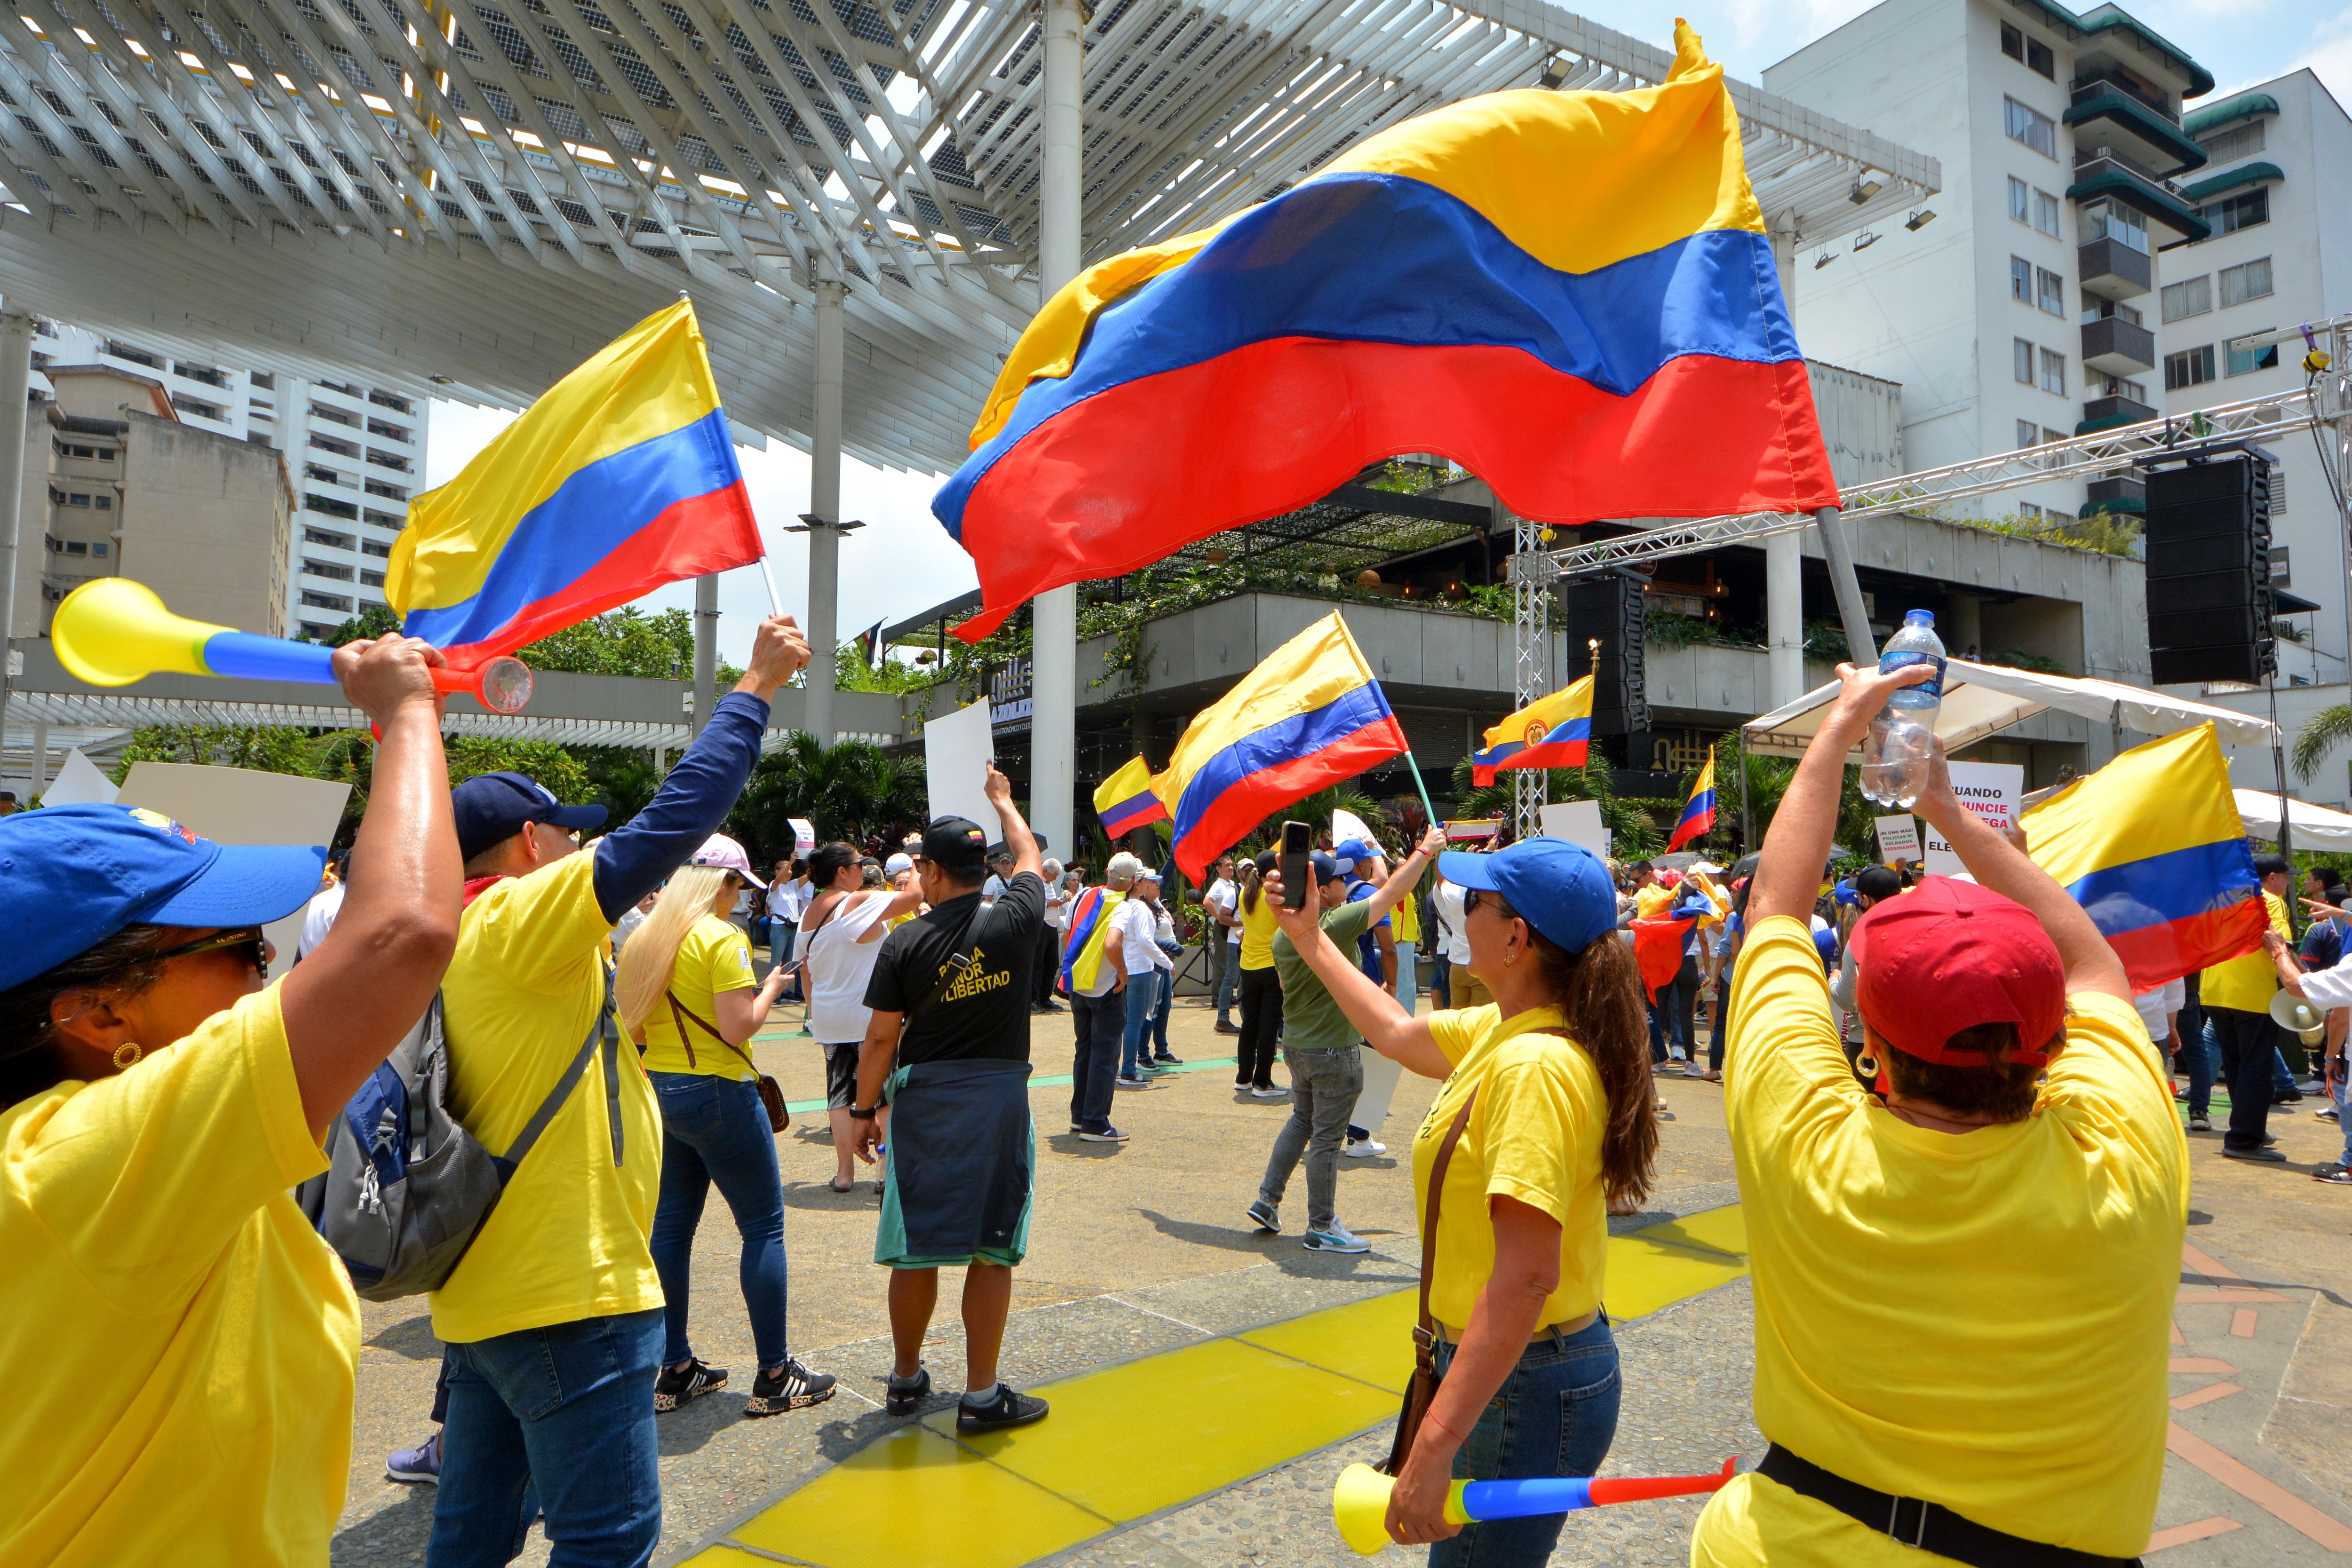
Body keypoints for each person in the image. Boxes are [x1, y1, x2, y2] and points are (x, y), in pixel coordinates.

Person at [1690, 660, 2185, 1568]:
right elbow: (2095, 969)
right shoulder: (2126, 1154)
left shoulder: (1810, 1139)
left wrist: (1838, 732)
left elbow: (1773, 911)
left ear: (1869, 1036)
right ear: (2048, 1035)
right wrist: (1952, 813)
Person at [0, 634, 461, 1566]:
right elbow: (402, 932)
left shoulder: (105, 1146)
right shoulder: (88, 1160)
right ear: (92, 1010)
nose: (273, 967)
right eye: (240, 948)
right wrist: (405, 709)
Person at [423, 613, 810, 1568]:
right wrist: (753, 690)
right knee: (609, 1536)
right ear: (527, 842)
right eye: (567, 831)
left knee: (473, 1532)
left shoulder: (452, 930)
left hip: (486, 1284)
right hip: (570, 1288)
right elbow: (673, 822)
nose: (576, 845)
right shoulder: (519, 911)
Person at [1267, 834, 1657, 1566]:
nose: (1457, 908)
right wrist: (1311, 937)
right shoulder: (1512, 1025)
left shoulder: (1535, 1064)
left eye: (1473, 900)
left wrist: (1437, 1441)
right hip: (1517, 1372)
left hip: (1526, 1383)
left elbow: (1527, 1275)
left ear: (1517, 937)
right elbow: (1393, 1030)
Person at [850, 771, 1052, 1433]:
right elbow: (1027, 856)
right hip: (998, 1101)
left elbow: (882, 1035)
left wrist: (861, 1111)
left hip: (926, 1105)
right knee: (991, 1247)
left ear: (931, 872)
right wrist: (1004, 802)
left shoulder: (905, 940)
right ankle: (981, 1394)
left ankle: (906, 1381)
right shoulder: (1020, 914)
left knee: (916, 1247)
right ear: (982, 867)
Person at [618, 834, 832, 1418]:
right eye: (739, 884)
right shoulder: (721, 937)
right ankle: (774, 1373)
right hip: (719, 1089)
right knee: (762, 1227)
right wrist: (772, 988)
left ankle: (675, 1367)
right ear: (722, 882)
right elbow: (739, 1027)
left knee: (670, 1230)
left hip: (660, 1089)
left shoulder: (645, 939)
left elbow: (632, 1029)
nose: (740, 898)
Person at [1247, 829, 1444, 1253]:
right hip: (1334, 1048)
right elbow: (1391, 892)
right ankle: (1321, 1224)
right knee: (1325, 1137)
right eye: (1337, 879)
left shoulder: (1286, 934)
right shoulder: (1333, 924)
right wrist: (1426, 851)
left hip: (1299, 1044)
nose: (1345, 884)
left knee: (1302, 1121)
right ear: (1321, 890)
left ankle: (1268, 1199)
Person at [801, 840, 922, 1193]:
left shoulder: (812, 911)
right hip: (869, 1016)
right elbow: (914, 897)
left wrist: (815, 1011)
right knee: (883, 1092)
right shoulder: (856, 902)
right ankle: (884, 1173)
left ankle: (844, 1174)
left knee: (839, 1095)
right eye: (858, 865)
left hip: (829, 1016)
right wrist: (913, 861)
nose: (864, 870)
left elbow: (805, 970)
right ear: (843, 871)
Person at [2201, 851, 2293, 1163]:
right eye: (2285, 877)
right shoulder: (2269, 899)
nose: (2287, 883)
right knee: (2257, 1068)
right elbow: (2278, 944)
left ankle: (2246, 1129)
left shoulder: (2222, 896)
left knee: (2238, 1066)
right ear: (2272, 877)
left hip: (2214, 989)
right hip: (2252, 992)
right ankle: (2244, 1139)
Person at [1064, 856, 1133, 1140]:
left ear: (1107, 872)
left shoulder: (1083, 895)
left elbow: (1067, 935)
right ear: (1131, 883)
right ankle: (1096, 1122)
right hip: (1106, 988)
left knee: (1085, 1051)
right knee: (1105, 1055)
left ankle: (1080, 1117)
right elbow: (1112, 943)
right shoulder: (1123, 906)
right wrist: (1122, 970)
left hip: (1078, 985)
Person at [1112, 859, 1174, 1086]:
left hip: (1130, 967)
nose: (1153, 884)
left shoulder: (1125, 904)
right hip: (1140, 969)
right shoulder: (1138, 906)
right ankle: (1129, 1070)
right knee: (1136, 1021)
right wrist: (1168, 962)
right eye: (1148, 880)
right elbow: (1146, 941)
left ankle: (1127, 1067)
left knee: (1131, 1020)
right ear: (1138, 884)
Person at [1234, 851, 1286, 1099]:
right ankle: (1263, 1083)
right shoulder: (1274, 895)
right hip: (1272, 967)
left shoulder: (1247, 891)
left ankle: (1244, 1077)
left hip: (1249, 964)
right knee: (1269, 1027)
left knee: (1250, 1025)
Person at [1203, 854, 1243, 1033]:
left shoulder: (1231, 885)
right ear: (1218, 868)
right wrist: (1220, 918)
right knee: (1222, 963)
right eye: (1227, 866)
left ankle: (1225, 998)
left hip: (1231, 929)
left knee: (1228, 963)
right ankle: (1218, 998)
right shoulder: (1219, 885)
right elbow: (1207, 902)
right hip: (1223, 928)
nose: (1230, 868)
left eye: (1232, 866)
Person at [768, 858, 810, 1001]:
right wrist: (792, 861)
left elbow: (809, 876)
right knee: (776, 962)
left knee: (788, 963)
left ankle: (784, 992)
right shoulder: (774, 886)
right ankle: (771, 994)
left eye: (791, 870)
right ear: (777, 872)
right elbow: (779, 880)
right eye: (787, 870)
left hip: (793, 927)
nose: (790, 873)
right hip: (779, 927)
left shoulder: (793, 885)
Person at [1428, 867, 1463, 1011]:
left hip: (1446, 949)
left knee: (1446, 991)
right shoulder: (1452, 896)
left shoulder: (1445, 895)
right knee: (1450, 998)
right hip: (1452, 952)